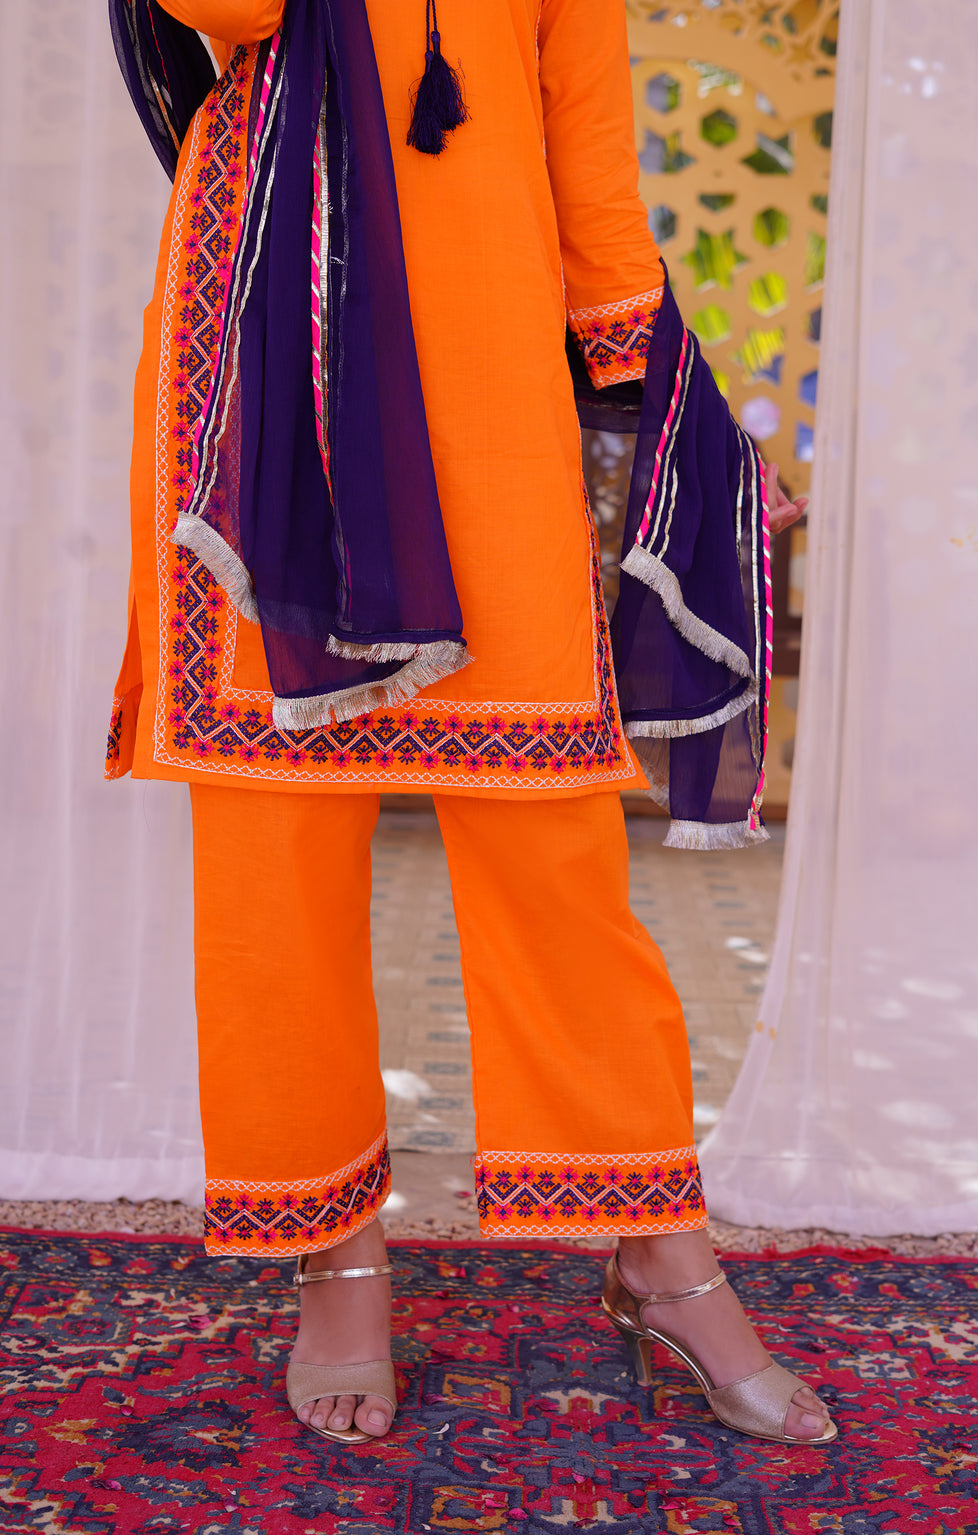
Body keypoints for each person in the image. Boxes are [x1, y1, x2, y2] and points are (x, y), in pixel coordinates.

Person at [108, 0, 829, 1449]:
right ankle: (338, 1256)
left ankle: (658, 1244)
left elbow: (587, 150)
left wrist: (666, 405)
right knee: (275, 848)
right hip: (260, 380)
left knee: (552, 841)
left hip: (489, 384)